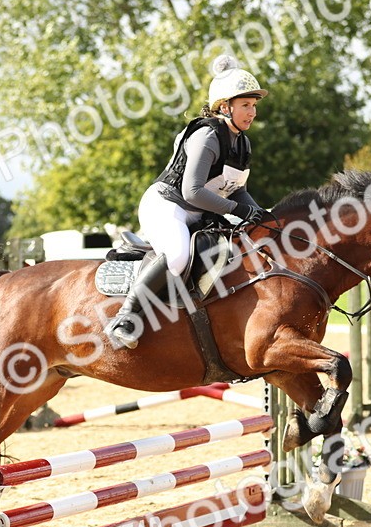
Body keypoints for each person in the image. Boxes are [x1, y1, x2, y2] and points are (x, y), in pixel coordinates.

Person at [106, 55, 271, 350]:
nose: (252, 112)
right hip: (167, 204)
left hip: (200, 213)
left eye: (254, 105)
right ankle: (125, 318)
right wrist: (237, 210)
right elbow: (193, 191)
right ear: (225, 107)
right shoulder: (207, 136)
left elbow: (236, 191)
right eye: (246, 105)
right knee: (179, 255)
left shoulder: (242, 143)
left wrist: (261, 215)